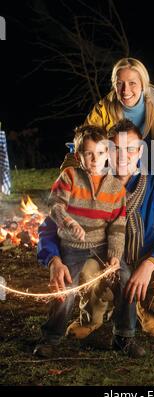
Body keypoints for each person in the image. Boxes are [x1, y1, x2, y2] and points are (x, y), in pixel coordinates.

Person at [36, 119, 154, 358]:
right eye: (115, 149)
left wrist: (152, 262)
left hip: (140, 263)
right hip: (97, 255)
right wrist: (53, 261)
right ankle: (90, 317)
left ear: (141, 151)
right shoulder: (82, 181)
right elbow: (49, 228)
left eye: (131, 149)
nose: (123, 157)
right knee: (82, 272)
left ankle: (146, 312)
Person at [33, 125, 126, 357]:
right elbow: (55, 206)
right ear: (79, 156)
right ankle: (51, 337)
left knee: (125, 278)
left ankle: (125, 335)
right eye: (89, 154)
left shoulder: (116, 187)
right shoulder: (70, 177)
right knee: (66, 288)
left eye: (101, 153)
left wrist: (115, 253)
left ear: (108, 154)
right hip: (72, 246)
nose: (95, 159)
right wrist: (68, 222)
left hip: (101, 245)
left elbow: (117, 224)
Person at [62, 57, 154, 181]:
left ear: (143, 84)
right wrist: (69, 173)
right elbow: (82, 144)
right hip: (116, 178)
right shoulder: (103, 110)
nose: (125, 90)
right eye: (119, 83)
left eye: (132, 83)